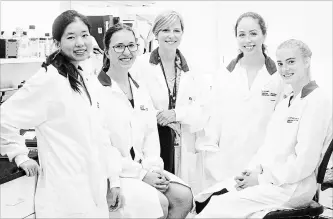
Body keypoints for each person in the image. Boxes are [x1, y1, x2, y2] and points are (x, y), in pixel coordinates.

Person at [0, 10, 123, 218]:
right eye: (71, 37)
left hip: (93, 189)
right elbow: (4, 118)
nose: (80, 43)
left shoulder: (82, 76)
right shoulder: (48, 80)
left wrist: (114, 180)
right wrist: (20, 155)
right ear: (57, 43)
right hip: (65, 195)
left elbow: (100, 135)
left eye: (84, 35)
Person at [195, 39, 333, 218]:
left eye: (291, 62)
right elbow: (268, 147)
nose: (284, 69)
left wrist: (260, 179)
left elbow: (303, 163)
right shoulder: (286, 103)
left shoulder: (318, 101)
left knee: (218, 206)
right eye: (281, 63)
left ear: (307, 61)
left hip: (292, 187)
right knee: (205, 197)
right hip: (271, 180)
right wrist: (251, 172)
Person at [95, 23, 194, 219]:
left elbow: (150, 135)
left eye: (132, 46)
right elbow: (102, 147)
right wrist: (141, 174)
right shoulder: (97, 91)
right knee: (160, 203)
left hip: (143, 168)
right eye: (119, 46)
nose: (127, 52)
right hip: (116, 174)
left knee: (184, 197)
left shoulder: (139, 90)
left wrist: (154, 169)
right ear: (106, 51)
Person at [194, 12, 289, 211]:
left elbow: (282, 125)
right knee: (221, 207)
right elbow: (213, 118)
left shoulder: (279, 77)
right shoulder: (224, 74)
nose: (247, 40)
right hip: (225, 160)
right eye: (241, 34)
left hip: (261, 162)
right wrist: (212, 154)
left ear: (264, 35)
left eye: (253, 33)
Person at [134, 10, 212, 195]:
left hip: (184, 143)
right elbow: (136, 105)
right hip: (154, 142)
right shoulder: (140, 65)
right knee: (156, 197)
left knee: (183, 196)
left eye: (176, 30)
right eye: (165, 30)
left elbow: (204, 108)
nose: (171, 35)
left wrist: (177, 114)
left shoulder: (193, 67)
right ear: (156, 33)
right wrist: (161, 117)